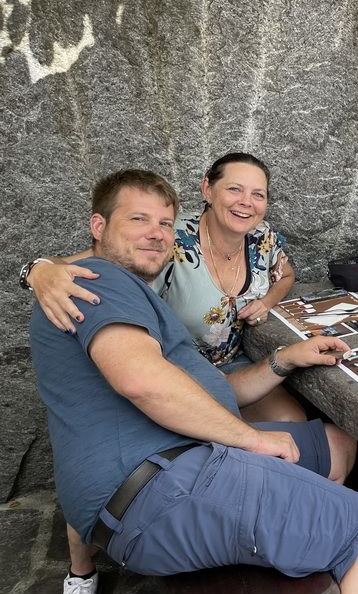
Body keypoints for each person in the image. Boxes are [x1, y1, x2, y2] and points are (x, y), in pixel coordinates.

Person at [31, 169, 358, 594]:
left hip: (170, 463)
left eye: (164, 223)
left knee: (337, 443)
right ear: (99, 227)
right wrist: (250, 438)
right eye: (138, 219)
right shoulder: (98, 280)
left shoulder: (128, 284)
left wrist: (285, 359)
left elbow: (213, 391)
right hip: (163, 486)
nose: (156, 233)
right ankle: (328, 541)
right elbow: (142, 382)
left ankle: (298, 538)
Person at [25, 152, 301, 421]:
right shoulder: (168, 237)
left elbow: (286, 276)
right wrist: (38, 271)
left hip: (232, 364)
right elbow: (91, 258)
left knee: (290, 420)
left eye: (258, 194)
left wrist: (266, 302)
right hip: (175, 368)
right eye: (234, 189)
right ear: (208, 189)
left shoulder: (260, 235)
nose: (246, 202)